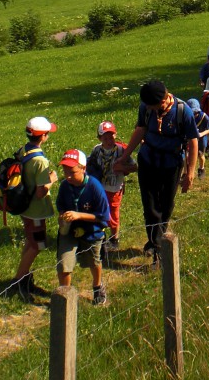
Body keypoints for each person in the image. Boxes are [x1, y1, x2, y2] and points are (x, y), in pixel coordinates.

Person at [114, 80, 198, 262]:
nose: (150, 109)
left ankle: (155, 239)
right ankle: (156, 246)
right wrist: (125, 155)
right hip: (148, 161)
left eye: (152, 106)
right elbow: (140, 130)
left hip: (172, 164)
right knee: (150, 206)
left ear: (163, 100)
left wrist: (190, 172)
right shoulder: (146, 108)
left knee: (166, 205)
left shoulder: (183, 112)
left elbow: (193, 141)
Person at [5, 116, 58, 302]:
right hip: (36, 210)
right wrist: (52, 178)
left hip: (24, 206)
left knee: (31, 241)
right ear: (43, 136)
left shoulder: (24, 150)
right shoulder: (40, 161)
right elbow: (41, 192)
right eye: (47, 133)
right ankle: (18, 281)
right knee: (37, 245)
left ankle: (25, 276)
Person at [56, 149, 110, 305]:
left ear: (83, 169)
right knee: (64, 262)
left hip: (92, 231)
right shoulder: (65, 186)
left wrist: (79, 215)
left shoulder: (94, 187)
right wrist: (62, 215)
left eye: (72, 172)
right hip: (70, 231)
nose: (68, 176)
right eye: (65, 171)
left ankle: (97, 286)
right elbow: (60, 204)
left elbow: (103, 217)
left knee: (94, 261)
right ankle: (65, 297)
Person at [87, 121, 137, 250]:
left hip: (114, 188)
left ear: (115, 135)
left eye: (111, 136)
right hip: (99, 187)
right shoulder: (97, 150)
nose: (109, 140)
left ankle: (114, 238)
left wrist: (123, 167)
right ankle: (100, 236)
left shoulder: (121, 150)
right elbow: (90, 164)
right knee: (99, 210)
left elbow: (135, 166)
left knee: (113, 213)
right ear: (99, 138)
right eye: (105, 138)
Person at [186, 98, 209, 179]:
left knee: (200, 155)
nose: (194, 114)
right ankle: (187, 172)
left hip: (201, 139)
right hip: (189, 138)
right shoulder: (186, 116)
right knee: (187, 155)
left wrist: (201, 134)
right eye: (192, 112)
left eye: (196, 112)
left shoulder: (203, 117)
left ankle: (201, 169)